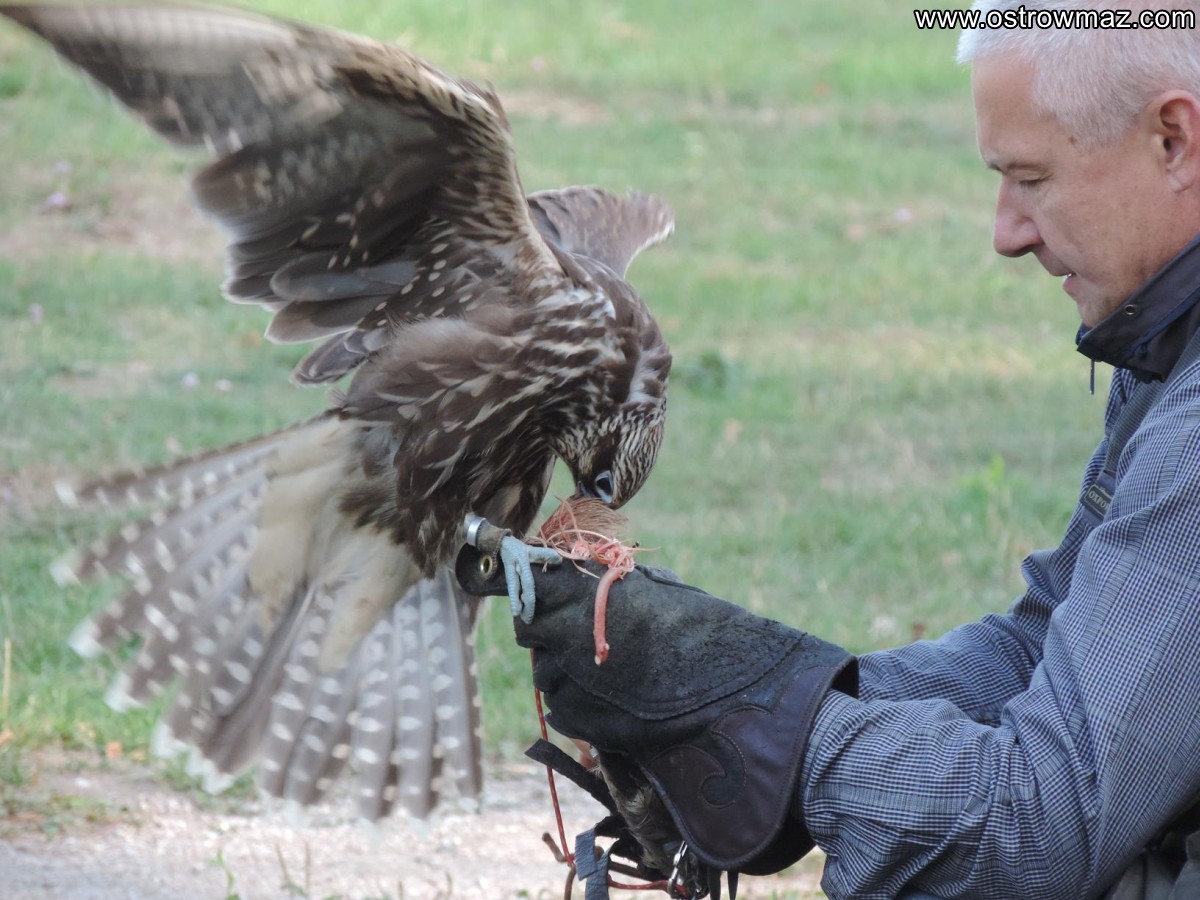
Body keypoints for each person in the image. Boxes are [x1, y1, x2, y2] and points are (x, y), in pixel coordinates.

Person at [463, 1, 1200, 897]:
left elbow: (1037, 825)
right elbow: (1041, 654)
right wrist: (767, 683)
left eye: (1032, 178)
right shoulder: (1167, 346)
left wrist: (764, 730)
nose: (1006, 232)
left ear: (1173, 139)